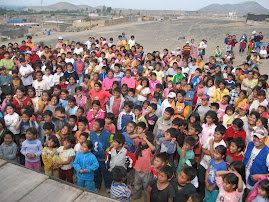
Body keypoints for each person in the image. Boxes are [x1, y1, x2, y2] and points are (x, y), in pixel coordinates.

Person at [88, 118, 113, 193]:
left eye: (96, 124)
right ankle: (97, 186)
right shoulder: (91, 133)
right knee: (96, 173)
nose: (93, 125)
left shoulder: (108, 135)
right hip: (94, 158)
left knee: (106, 173)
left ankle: (108, 186)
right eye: (94, 124)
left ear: (101, 127)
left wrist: (108, 149)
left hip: (104, 159)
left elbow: (111, 144)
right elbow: (89, 143)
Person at [132, 131, 155, 200]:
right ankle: (137, 195)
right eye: (142, 139)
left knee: (146, 186)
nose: (142, 141)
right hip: (138, 168)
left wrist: (146, 140)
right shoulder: (140, 145)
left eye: (144, 140)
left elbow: (153, 148)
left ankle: (146, 198)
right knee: (137, 183)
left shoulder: (150, 149)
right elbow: (130, 136)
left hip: (146, 170)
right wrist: (139, 134)